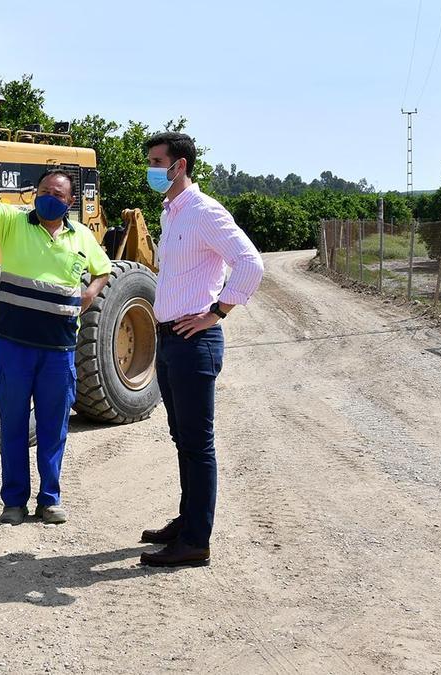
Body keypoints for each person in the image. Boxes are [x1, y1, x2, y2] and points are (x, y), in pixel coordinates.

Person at [0, 146, 112, 525]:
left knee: (54, 429)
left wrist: (91, 293)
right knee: (15, 426)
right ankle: (14, 502)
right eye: (45, 192)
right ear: (34, 195)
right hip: (14, 348)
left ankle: (50, 499)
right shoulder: (13, 223)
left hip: (58, 352)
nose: (50, 198)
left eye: (58, 195)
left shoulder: (82, 237)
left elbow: (103, 270)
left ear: (70, 202)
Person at [137, 132, 264, 567]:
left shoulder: (205, 212)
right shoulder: (172, 212)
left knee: (197, 443)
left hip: (195, 341)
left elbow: (251, 262)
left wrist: (218, 311)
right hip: (170, 339)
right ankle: (187, 520)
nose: (151, 169)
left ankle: (195, 542)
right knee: (182, 439)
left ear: (181, 164)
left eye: (157, 161)